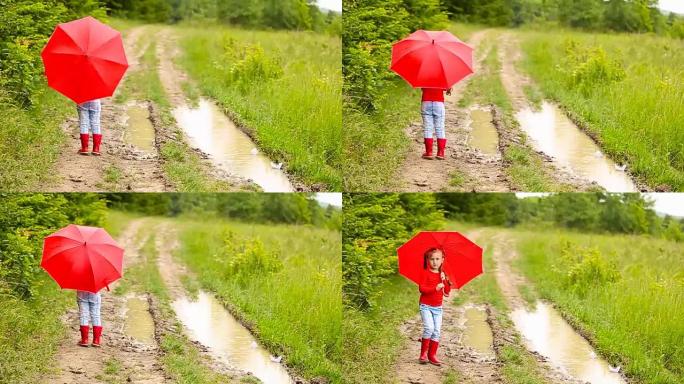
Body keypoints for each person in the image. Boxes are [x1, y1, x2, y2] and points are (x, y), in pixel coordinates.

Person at [418, 248, 451, 365]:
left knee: (436, 331)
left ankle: (432, 355)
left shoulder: (443, 275)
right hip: (425, 306)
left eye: (437, 259)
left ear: (442, 260)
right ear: (427, 260)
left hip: (438, 308)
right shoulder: (425, 273)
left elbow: (447, 293)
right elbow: (421, 289)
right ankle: (423, 354)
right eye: (432, 259)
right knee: (429, 328)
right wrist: (434, 288)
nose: (434, 262)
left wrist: (445, 281)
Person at [420, 88, 451, 160]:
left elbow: (422, 88)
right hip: (439, 103)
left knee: (427, 127)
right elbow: (447, 89)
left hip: (426, 102)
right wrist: (448, 89)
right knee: (440, 128)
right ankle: (440, 153)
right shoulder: (442, 77)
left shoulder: (424, 77)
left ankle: (429, 153)